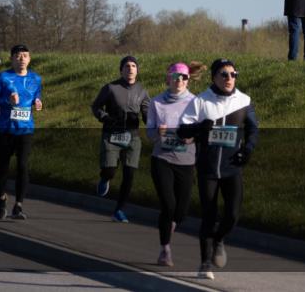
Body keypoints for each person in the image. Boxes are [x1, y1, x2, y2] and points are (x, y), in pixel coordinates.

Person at [179, 59, 259, 281]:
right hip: (208, 168)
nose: (229, 78)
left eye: (233, 74)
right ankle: (205, 263)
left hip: (232, 167)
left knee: (232, 214)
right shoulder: (201, 101)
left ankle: (219, 239)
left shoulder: (243, 101)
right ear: (214, 77)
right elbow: (182, 131)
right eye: (224, 74)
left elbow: (253, 130)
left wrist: (249, 149)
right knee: (209, 215)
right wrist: (198, 127)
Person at [146, 62, 201, 267]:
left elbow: (201, 130)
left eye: (183, 77)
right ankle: (165, 249)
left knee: (182, 211)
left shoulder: (196, 103)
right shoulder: (156, 102)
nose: (179, 81)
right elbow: (150, 133)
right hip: (162, 159)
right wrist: (157, 134)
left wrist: (191, 138)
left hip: (186, 161)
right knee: (168, 205)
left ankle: (169, 226)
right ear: (168, 79)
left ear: (188, 80)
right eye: (175, 77)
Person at [91, 55, 150, 223]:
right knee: (110, 170)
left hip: (132, 137)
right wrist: (105, 117)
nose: (130, 68)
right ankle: (105, 178)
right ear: (121, 70)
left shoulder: (143, 91)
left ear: (137, 70)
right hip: (112, 135)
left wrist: (149, 120)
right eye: (126, 66)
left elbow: (147, 113)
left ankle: (119, 210)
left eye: (133, 66)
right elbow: (95, 107)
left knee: (129, 173)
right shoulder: (110, 88)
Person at [0, 44, 42, 220]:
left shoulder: (35, 79)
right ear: (11, 59)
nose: (22, 59)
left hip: (26, 129)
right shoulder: (3, 77)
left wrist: (38, 102)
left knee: (23, 166)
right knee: (3, 167)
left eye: (25, 56)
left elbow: (36, 96)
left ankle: (18, 205)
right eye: (18, 56)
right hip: (5, 129)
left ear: (29, 58)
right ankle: (1, 198)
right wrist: (7, 100)